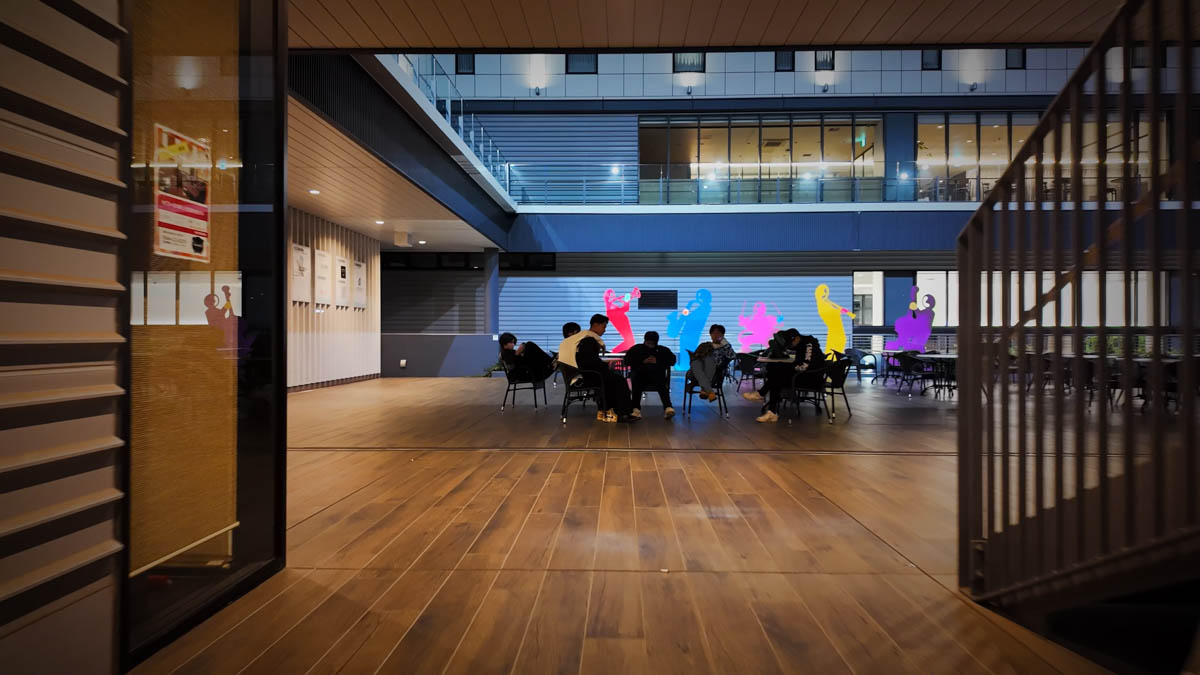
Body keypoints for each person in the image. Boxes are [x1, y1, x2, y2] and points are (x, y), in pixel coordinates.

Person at [562, 314, 638, 423]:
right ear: (595, 325)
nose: (604, 330)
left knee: (613, 378)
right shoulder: (589, 341)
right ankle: (622, 413)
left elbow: (589, 360)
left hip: (587, 373)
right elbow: (589, 362)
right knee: (619, 381)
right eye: (603, 327)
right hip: (590, 375)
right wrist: (606, 366)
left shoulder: (584, 340)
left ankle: (607, 410)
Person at [751, 329, 824, 423]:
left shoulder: (809, 344)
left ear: (797, 338)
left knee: (777, 376)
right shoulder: (802, 343)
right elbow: (799, 364)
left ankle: (764, 399)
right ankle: (769, 407)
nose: (791, 346)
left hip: (812, 379)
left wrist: (788, 367)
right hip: (804, 375)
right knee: (776, 374)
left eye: (791, 343)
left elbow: (804, 366)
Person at [623, 331, 677, 419]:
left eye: (652, 343)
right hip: (640, 375)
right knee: (637, 380)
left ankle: (668, 407)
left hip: (657, 376)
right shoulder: (637, 349)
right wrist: (642, 362)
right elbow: (627, 360)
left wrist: (657, 361)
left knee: (661, 382)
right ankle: (635, 408)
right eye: (648, 342)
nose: (650, 344)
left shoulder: (662, 350)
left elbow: (672, 361)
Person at [689, 324, 736, 402]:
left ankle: (705, 389)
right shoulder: (705, 345)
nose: (715, 335)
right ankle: (709, 391)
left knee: (709, 359)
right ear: (710, 335)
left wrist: (725, 343)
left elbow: (733, 356)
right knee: (696, 362)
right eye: (713, 333)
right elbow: (695, 358)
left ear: (723, 335)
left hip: (714, 373)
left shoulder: (724, 347)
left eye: (718, 333)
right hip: (695, 372)